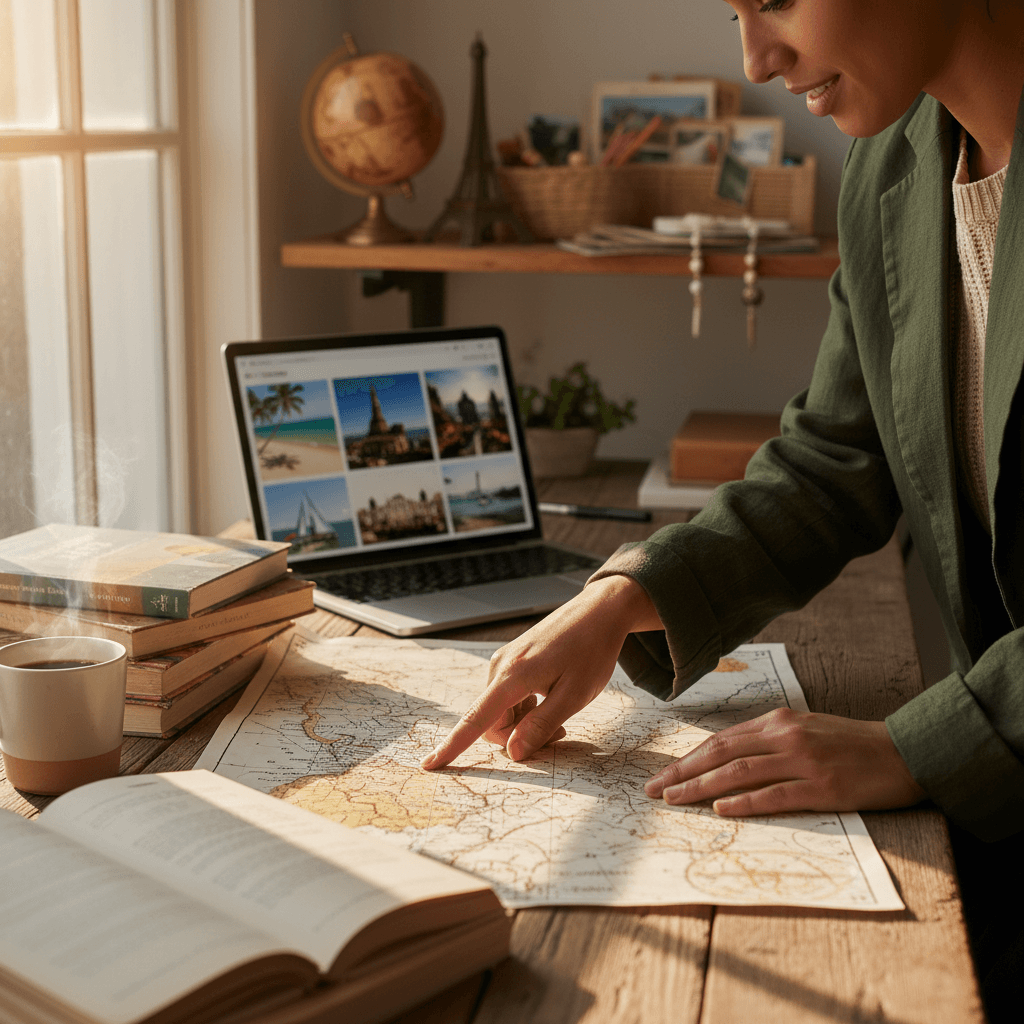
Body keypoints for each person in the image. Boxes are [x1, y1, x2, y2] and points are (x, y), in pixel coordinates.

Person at [423, 1, 1024, 1015]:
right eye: (735, 10)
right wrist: (627, 594)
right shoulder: (891, 172)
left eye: (779, 0)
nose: (755, 58)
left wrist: (909, 746)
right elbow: (835, 455)